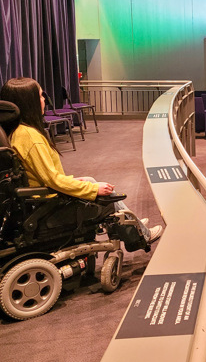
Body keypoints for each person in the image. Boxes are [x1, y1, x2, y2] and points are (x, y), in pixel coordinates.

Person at [0, 77, 162, 243]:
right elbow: (52, 179)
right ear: (30, 102)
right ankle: (140, 235)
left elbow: (45, 176)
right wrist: (92, 190)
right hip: (46, 205)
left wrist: (83, 183)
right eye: (41, 96)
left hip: (37, 198)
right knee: (106, 197)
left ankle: (133, 225)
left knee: (90, 180)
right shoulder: (30, 137)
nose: (44, 100)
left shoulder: (16, 131)